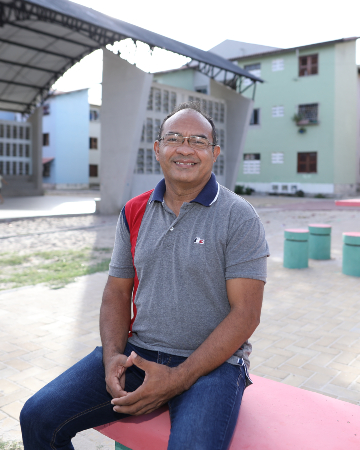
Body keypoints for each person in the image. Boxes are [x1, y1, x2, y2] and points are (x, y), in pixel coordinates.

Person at [20, 103, 269, 450]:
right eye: (174, 138)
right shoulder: (134, 210)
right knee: (37, 417)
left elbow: (246, 314)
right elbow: (117, 293)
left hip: (214, 365)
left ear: (214, 153)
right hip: (138, 353)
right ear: (157, 149)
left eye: (198, 141)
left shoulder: (239, 217)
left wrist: (177, 379)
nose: (185, 149)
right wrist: (111, 358)